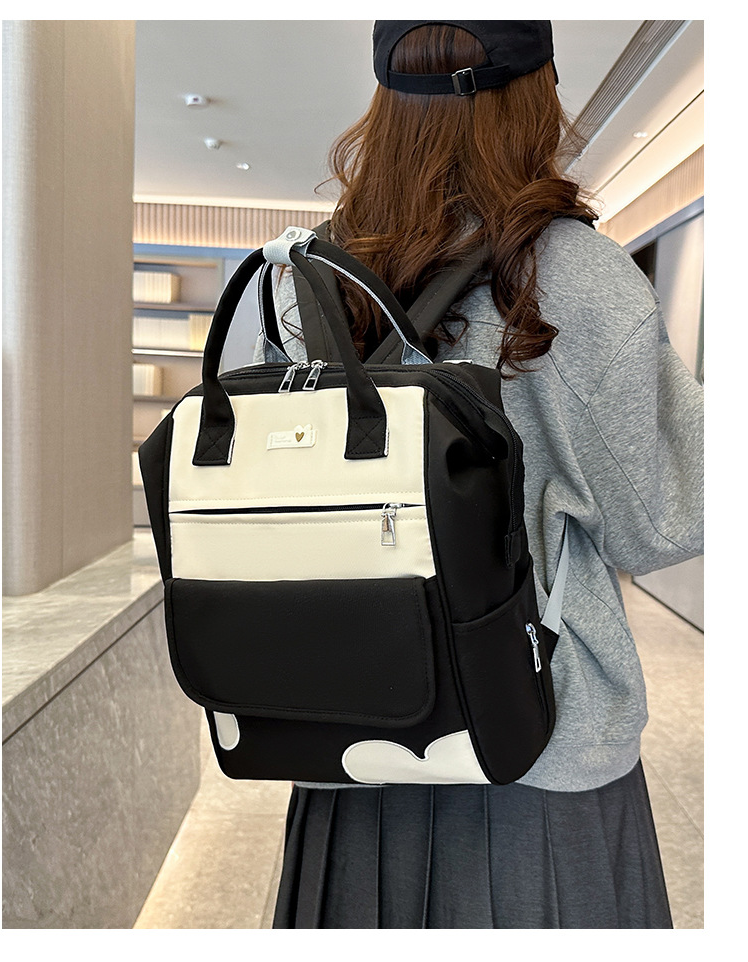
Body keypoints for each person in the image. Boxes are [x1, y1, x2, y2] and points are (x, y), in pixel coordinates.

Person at [258, 20, 704, 929]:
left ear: (385, 104)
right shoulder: (573, 277)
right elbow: (668, 518)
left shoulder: (303, 278)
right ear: (538, 98)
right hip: (533, 751)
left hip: (342, 732)